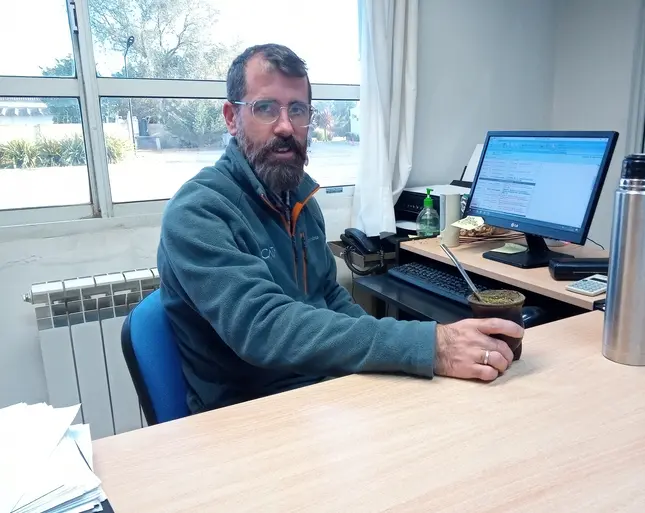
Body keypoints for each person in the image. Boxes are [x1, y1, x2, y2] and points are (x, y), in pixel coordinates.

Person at [157, 44, 522, 414]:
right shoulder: (199, 212)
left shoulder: (299, 198)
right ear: (232, 118)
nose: (285, 127)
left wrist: (393, 361)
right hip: (248, 415)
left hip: (318, 394)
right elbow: (265, 328)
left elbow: (329, 296)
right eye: (265, 108)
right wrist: (431, 345)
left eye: (297, 110)